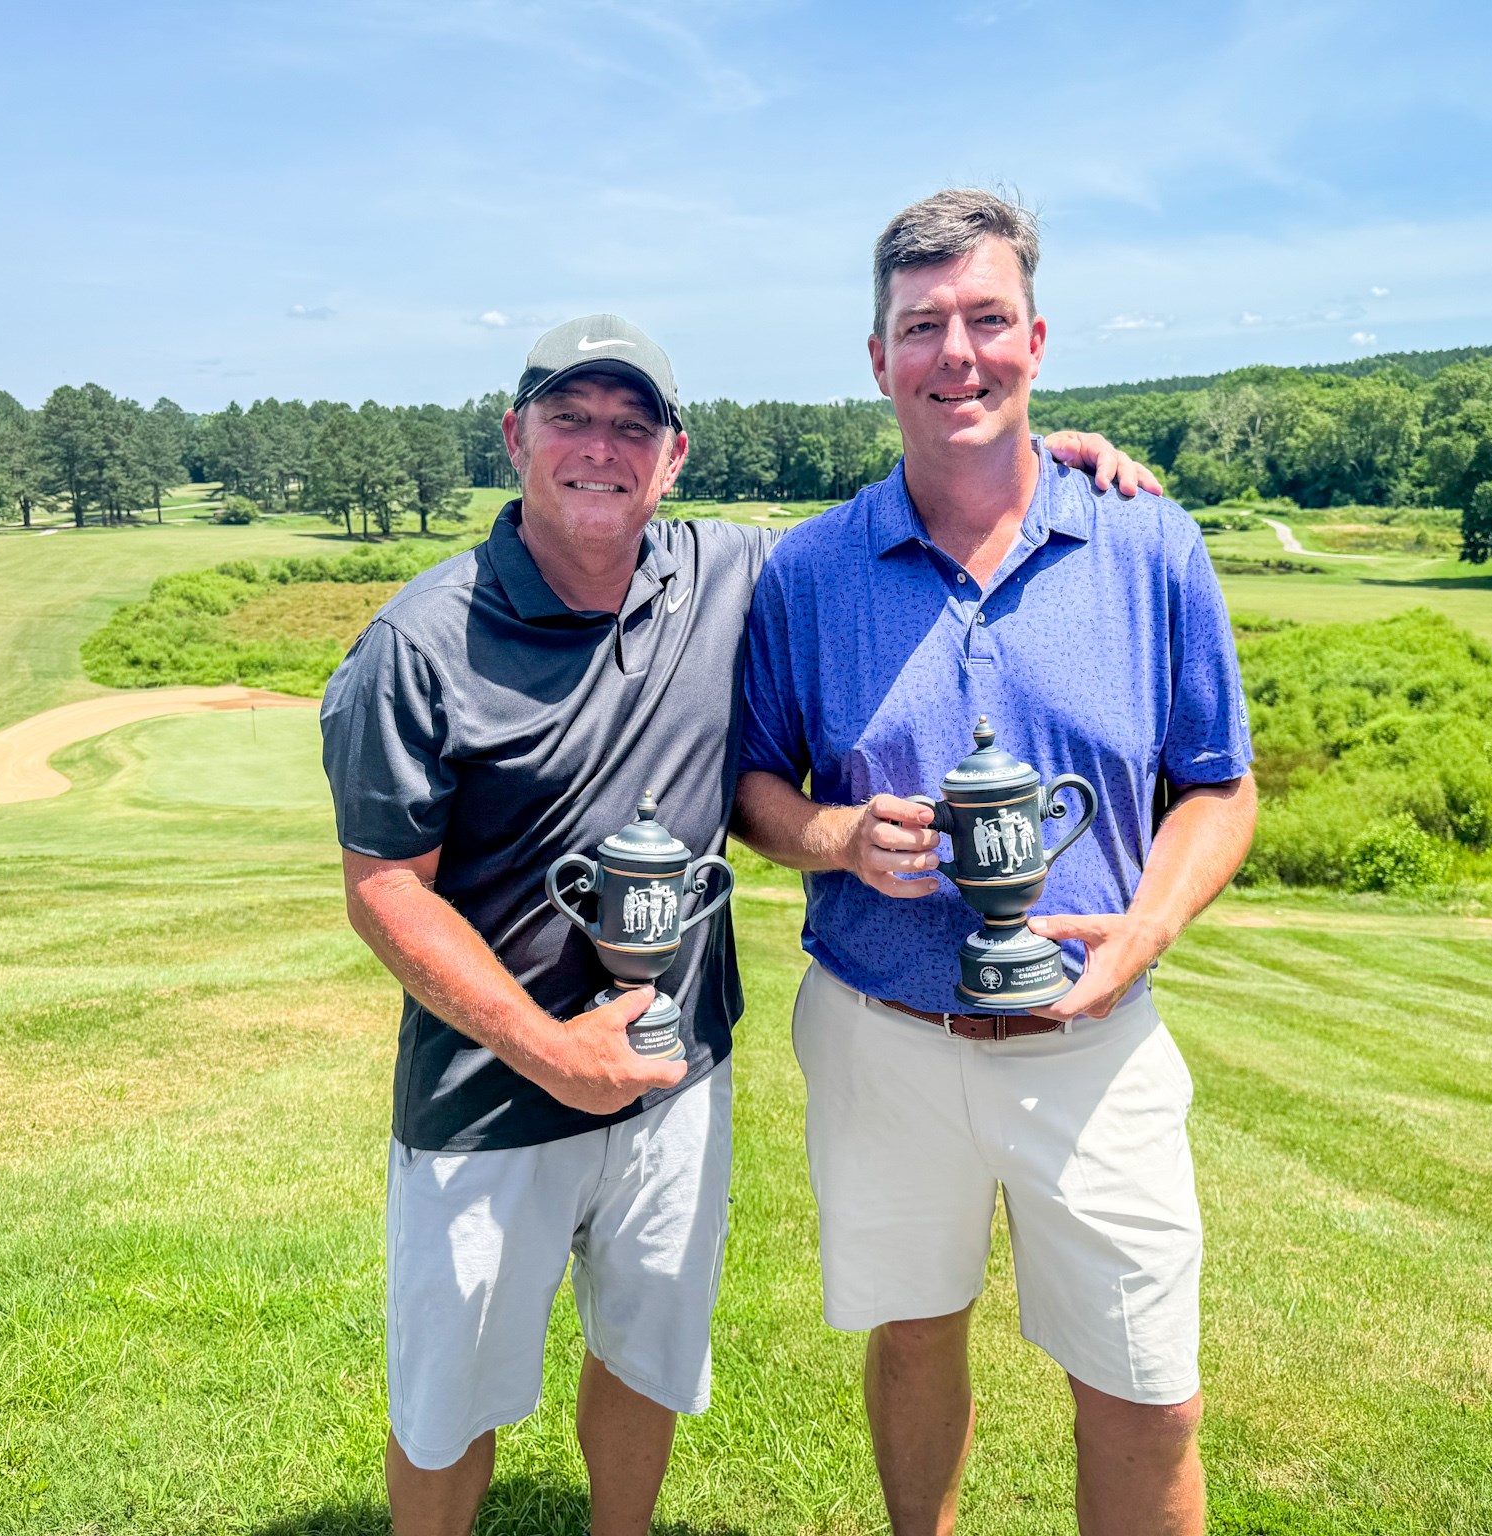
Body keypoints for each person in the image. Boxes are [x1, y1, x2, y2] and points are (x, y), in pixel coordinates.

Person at [320, 312, 1157, 1536]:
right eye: (570, 418)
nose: (599, 447)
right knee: (450, 1404)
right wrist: (552, 1051)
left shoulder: (728, 574)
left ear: (674, 458)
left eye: (631, 425)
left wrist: (1034, 453)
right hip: (488, 1086)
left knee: (644, 1357)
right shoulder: (418, 642)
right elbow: (385, 887)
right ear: (515, 438)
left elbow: (906, 519)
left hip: (675, 1072)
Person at [733, 188, 1258, 1536]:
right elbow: (751, 785)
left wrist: (1144, 928)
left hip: (1096, 1039)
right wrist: (832, 836)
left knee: (1147, 1391)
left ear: (1035, 338)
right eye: (921, 327)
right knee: (913, 1342)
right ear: (876, 359)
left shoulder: (1146, 541)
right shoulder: (806, 572)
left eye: (985, 320)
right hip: (880, 1033)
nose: (955, 354)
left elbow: (1219, 789)